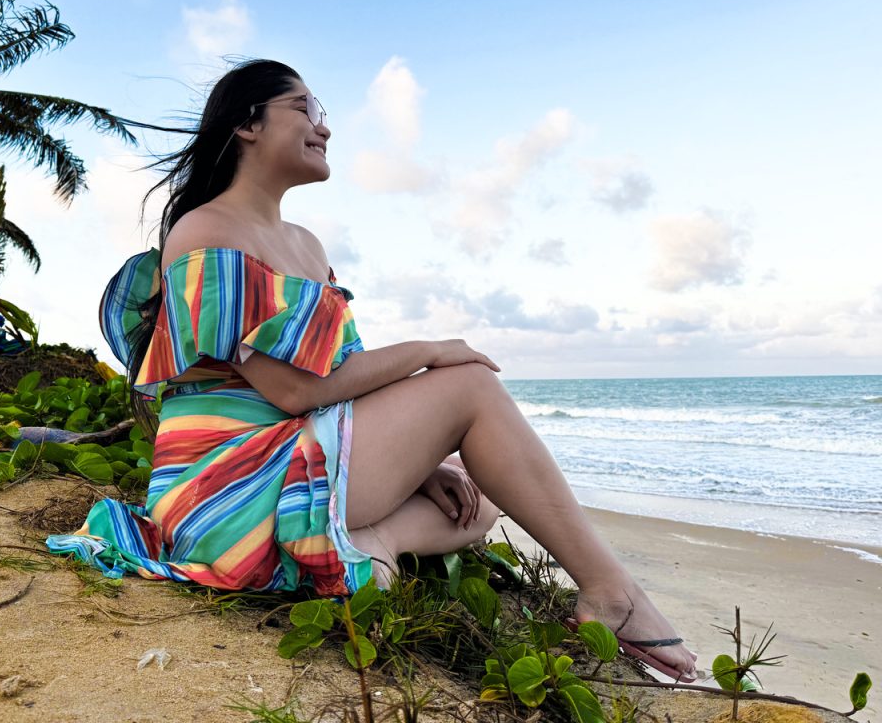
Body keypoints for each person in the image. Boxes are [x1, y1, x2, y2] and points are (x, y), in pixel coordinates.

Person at [47, 59, 698, 683]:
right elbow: (294, 390)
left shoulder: (307, 245)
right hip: (229, 486)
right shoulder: (205, 231)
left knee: (487, 483)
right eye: (304, 107)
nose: (324, 125)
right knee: (472, 384)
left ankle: (371, 540)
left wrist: (424, 461)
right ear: (247, 124)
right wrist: (426, 351)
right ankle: (612, 590)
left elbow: (343, 373)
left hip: (293, 453)